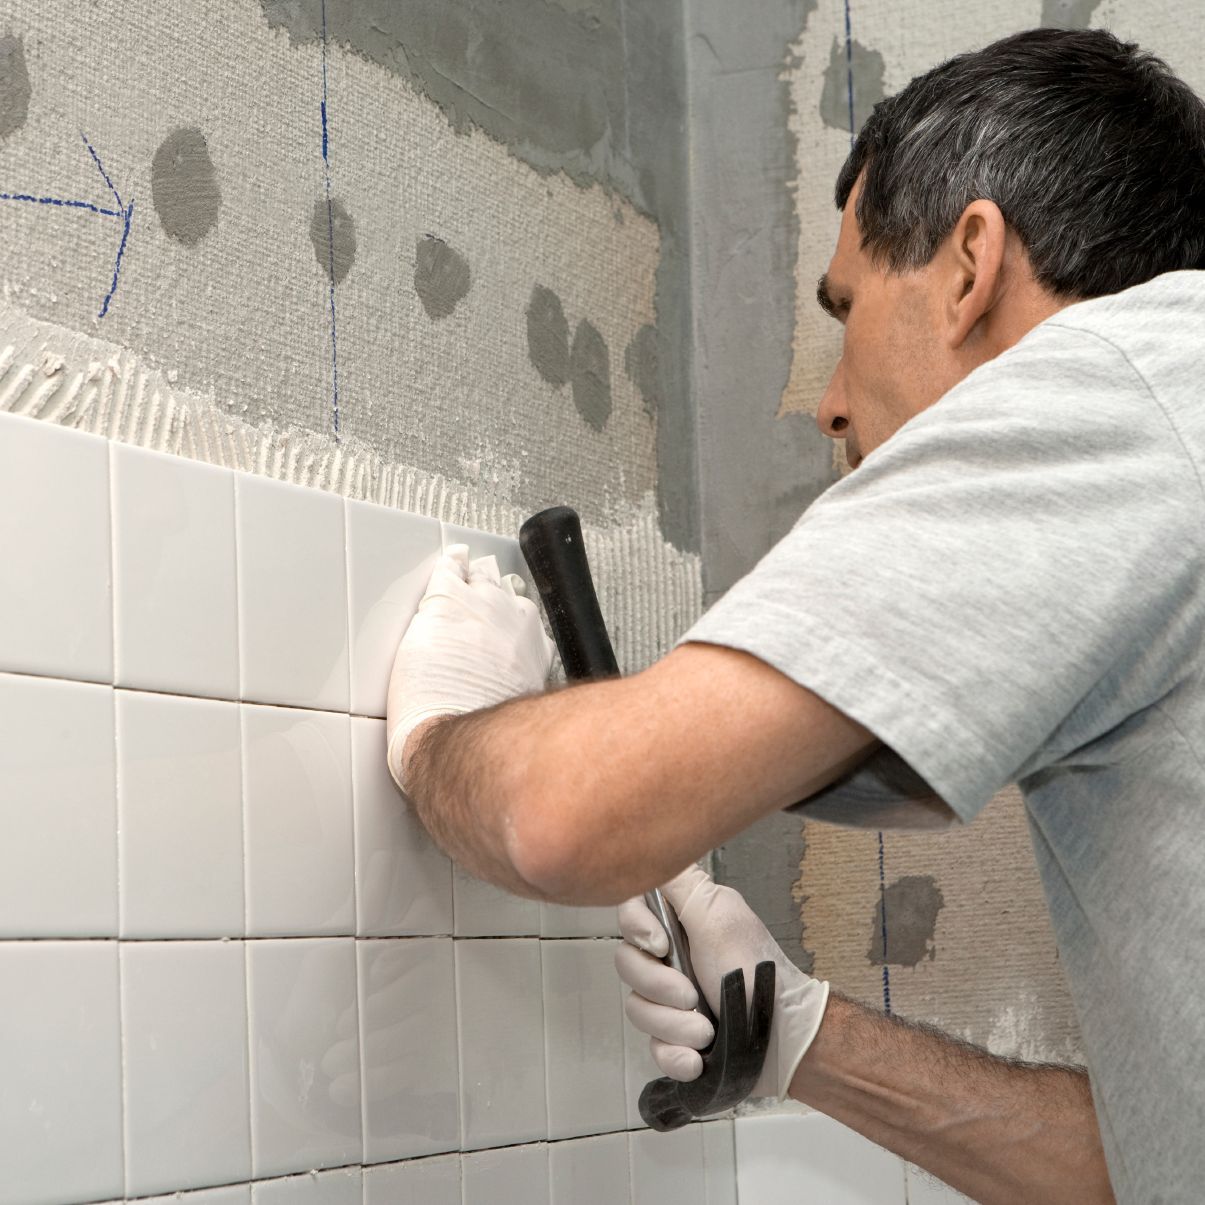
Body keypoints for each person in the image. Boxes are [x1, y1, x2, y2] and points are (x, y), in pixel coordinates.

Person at [385, 27, 1205, 1205]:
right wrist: (804, 1038)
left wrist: (442, 735)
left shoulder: (1117, 388)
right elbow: (1152, 1161)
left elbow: (562, 819)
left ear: (971, 265)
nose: (827, 405)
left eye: (847, 306)